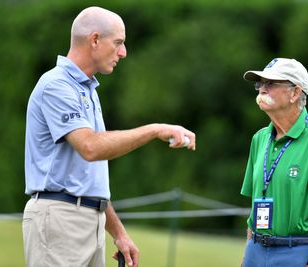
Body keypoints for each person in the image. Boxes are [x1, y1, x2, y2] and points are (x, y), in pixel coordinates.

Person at [22, 6, 196, 267]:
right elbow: (90, 148)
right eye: (118, 43)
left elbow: (88, 179)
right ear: (94, 40)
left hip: (91, 220)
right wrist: (154, 129)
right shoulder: (56, 85)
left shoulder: (88, 90)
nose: (123, 53)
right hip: (59, 219)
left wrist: (119, 233)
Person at [240, 58, 308, 267]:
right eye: (260, 83)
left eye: (271, 83)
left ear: (295, 93)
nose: (262, 88)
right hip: (256, 251)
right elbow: (254, 206)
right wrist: (248, 256)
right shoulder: (259, 138)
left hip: (297, 252)